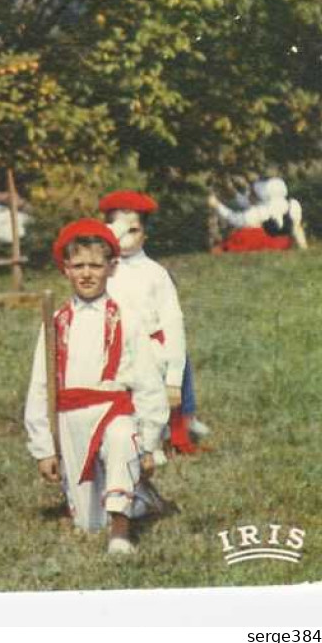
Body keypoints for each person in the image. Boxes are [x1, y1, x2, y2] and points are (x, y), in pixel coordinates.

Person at [24, 219, 168, 554]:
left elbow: (148, 382)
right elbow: (40, 386)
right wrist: (44, 448)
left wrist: (149, 442)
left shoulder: (127, 318)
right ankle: (139, 498)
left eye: (95, 265)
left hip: (114, 409)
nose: (87, 273)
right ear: (66, 270)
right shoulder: (56, 323)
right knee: (89, 524)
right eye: (78, 266)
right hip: (71, 418)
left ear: (112, 268)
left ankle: (120, 531)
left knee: (120, 437)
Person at [99, 189, 205, 454]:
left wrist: (173, 376)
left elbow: (172, 323)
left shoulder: (155, 274)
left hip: (149, 351)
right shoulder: (99, 270)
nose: (124, 238)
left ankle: (152, 445)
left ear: (145, 233)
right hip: (112, 352)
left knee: (150, 401)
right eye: (118, 230)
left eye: (132, 230)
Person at [208, 176, 308, 253]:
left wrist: (217, 206)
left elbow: (236, 220)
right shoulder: (291, 204)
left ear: (262, 193)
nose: (251, 194)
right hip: (284, 243)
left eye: (254, 192)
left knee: (242, 233)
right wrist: (303, 247)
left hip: (265, 243)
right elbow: (297, 228)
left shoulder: (261, 210)